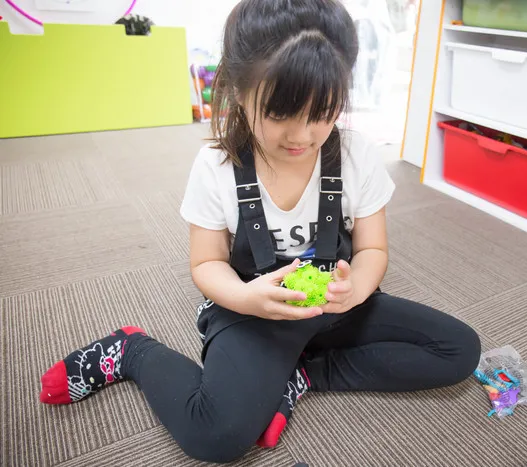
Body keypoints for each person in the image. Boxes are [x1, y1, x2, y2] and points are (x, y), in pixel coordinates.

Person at [38, 0, 481, 463]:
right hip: (251, 309)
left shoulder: (357, 154)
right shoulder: (216, 166)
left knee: (458, 350)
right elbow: (206, 262)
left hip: (335, 308)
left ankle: (306, 376)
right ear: (236, 92)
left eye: (323, 113)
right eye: (279, 112)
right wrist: (247, 299)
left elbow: (373, 248)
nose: (302, 135)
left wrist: (357, 289)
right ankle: (129, 352)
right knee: (216, 436)